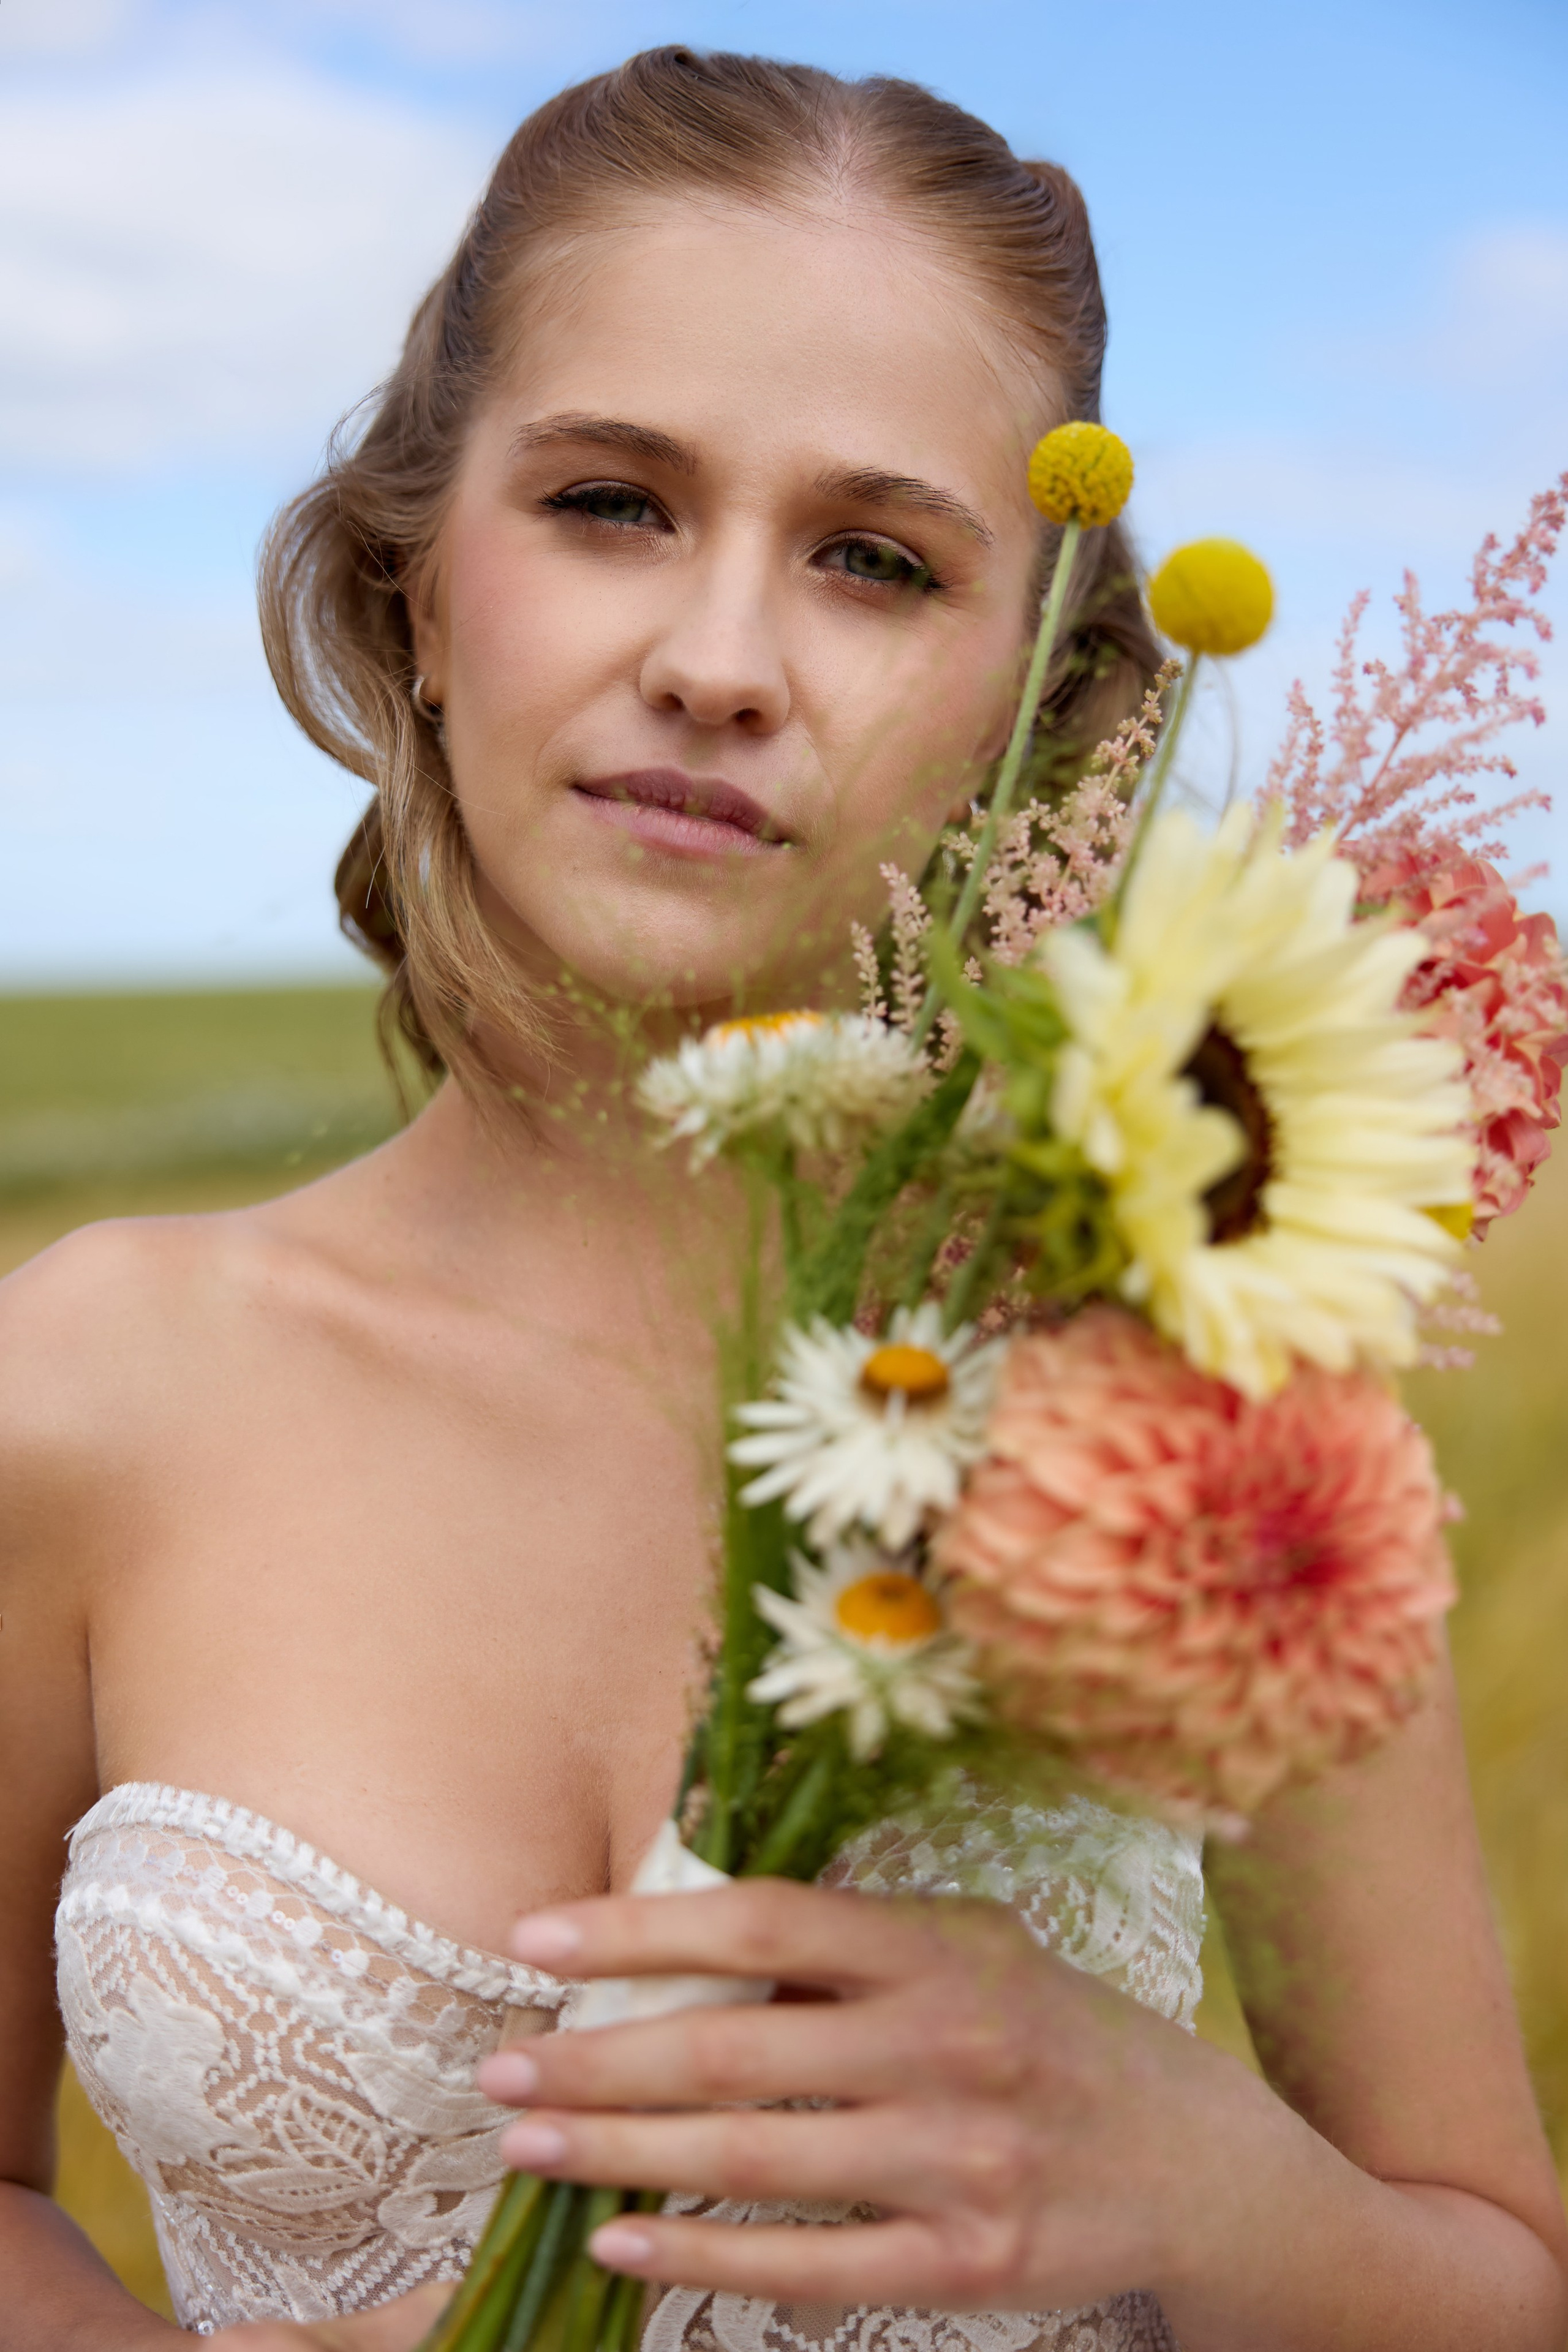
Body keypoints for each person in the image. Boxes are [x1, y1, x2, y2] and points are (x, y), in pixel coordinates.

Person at [1, 46, 1563, 2352]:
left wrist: (1200, 2182)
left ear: (1031, 707)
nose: (719, 664)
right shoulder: (86, 1381)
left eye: (874, 560)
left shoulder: (1208, 1432)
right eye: (612, 502)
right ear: (424, 594)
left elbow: (1502, 2279)